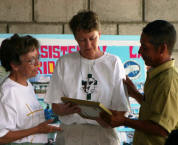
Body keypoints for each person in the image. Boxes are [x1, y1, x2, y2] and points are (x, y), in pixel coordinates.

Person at [45, 10, 130, 145]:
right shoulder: (64, 62)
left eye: (92, 38)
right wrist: (66, 110)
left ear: (99, 35)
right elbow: (55, 105)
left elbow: (121, 109)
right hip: (71, 133)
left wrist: (107, 119)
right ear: (75, 39)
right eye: (82, 40)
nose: (88, 45)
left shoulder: (113, 62)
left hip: (103, 133)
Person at [101, 20, 178, 145]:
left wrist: (124, 121)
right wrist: (136, 94)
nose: (139, 52)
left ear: (162, 48)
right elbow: (156, 110)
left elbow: (161, 129)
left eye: (145, 47)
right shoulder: (157, 75)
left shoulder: (168, 83)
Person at [0, 34, 61, 145]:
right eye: (31, 61)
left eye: (38, 58)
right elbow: (0, 137)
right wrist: (38, 129)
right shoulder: (8, 92)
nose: (38, 64)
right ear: (15, 65)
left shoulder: (27, 85)